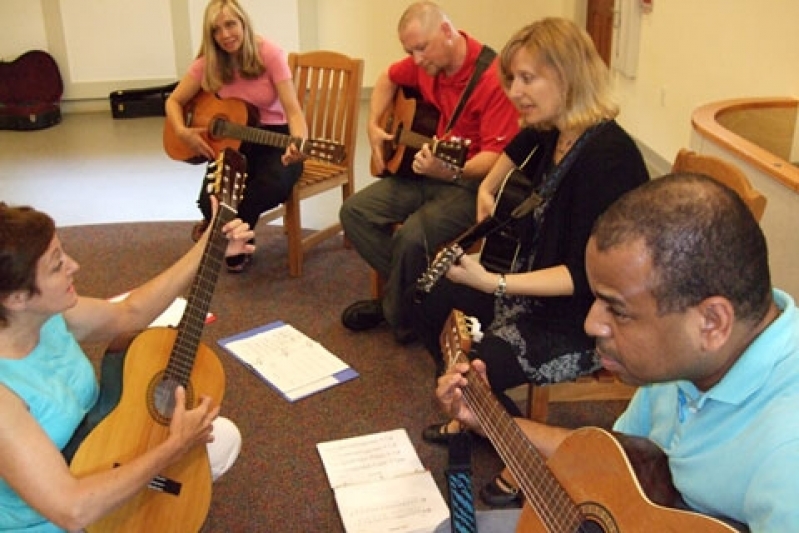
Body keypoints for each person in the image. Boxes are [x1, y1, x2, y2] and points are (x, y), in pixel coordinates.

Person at [434, 173, 799, 532]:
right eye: (596, 299)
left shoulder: (787, 454)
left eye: (618, 310)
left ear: (712, 323)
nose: (592, 324)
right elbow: (618, 472)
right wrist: (487, 420)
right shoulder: (686, 362)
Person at [412, 17, 648, 506]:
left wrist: (496, 281)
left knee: (479, 365)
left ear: (568, 75)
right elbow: (514, 150)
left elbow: (587, 279)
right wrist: (486, 186)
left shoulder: (610, 159)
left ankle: (528, 458)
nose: (515, 92)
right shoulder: (550, 132)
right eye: (511, 79)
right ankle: (480, 419)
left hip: (579, 316)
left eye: (527, 79)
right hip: (525, 285)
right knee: (437, 303)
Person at [0, 201, 252, 531]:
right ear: (16, 298)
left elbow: (130, 312)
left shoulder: (47, 315)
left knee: (225, 438)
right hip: (53, 517)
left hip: (101, 451)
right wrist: (174, 446)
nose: (74, 266)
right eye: (57, 265)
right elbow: (71, 509)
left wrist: (209, 247)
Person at [339, 1, 519, 344]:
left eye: (421, 48)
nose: (417, 59)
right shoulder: (426, 64)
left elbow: (496, 158)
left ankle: (398, 313)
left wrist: (451, 171)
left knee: (411, 238)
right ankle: (411, 301)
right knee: (355, 212)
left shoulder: (493, 79)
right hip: (424, 173)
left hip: (470, 185)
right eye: (410, 51)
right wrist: (374, 125)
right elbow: (387, 78)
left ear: (447, 31)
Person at [165, 0, 307, 273]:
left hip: (274, 138)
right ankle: (231, 235)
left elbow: (294, 111)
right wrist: (183, 132)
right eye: (216, 30)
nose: (225, 35)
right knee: (210, 201)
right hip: (234, 142)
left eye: (230, 24)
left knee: (268, 187)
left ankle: (227, 238)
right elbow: (173, 101)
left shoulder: (270, 53)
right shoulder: (210, 61)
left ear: (243, 22)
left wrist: (299, 142)